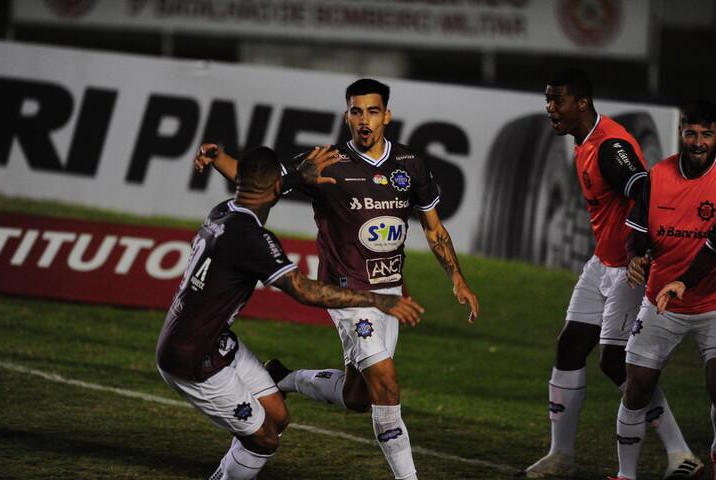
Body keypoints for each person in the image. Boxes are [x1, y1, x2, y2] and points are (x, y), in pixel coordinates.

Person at [197, 78, 479, 480]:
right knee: (385, 382)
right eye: (356, 111)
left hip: (391, 291)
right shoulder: (325, 162)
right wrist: (219, 158)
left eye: (373, 111)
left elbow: (434, 229)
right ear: (347, 115)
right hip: (346, 293)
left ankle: (285, 378)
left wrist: (457, 278)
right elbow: (258, 182)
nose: (364, 120)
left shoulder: (410, 165)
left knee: (359, 396)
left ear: (387, 115)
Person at [156, 145, 425, 480]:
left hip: (214, 341)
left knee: (277, 415)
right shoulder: (252, 238)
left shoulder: (224, 210)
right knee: (264, 439)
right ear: (274, 189)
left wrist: (299, 176)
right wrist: (379, 301)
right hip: (192, 358)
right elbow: (303, 289)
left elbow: (265, 184)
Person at [523, 68, 698, 478]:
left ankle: (680, 453)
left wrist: (643, 250)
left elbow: (643, 186)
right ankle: (561, 456)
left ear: (582, 102)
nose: (551, 108)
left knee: (615, 362)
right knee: (570, 347)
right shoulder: (584, 140)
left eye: (558, 100)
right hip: (602, 261)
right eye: (548, 99)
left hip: (628, 269)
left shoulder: (608, 145)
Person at [609, 100, 716, 480]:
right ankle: (625, 476)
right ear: (681, 132)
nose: (699, 141)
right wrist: (636, 258)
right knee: (636, 387)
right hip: (661, 302)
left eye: (707, 133)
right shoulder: (658, 176)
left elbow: (714, 247)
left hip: (711, 305)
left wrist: (683, 281)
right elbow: (636, 233)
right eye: (691, 132)